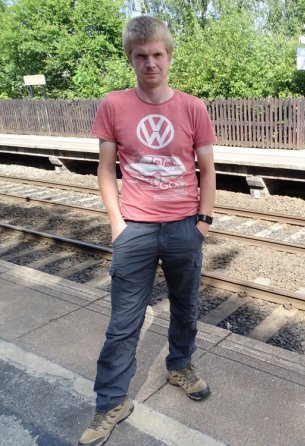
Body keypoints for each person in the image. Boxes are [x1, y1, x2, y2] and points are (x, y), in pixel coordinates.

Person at [79, 15, 217, 446]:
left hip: (182, 228)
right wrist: (117, 224)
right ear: (130, 58)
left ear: (169, 56)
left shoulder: (193, 107)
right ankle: (111, 403)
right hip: (135, 229)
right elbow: (105, 171)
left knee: (186, 308)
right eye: (141, 56)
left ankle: (179, 365)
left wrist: (203, 222)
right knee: (123, 323)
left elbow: (208, 170)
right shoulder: (113, 105)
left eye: (158, 55)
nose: (151, 63)